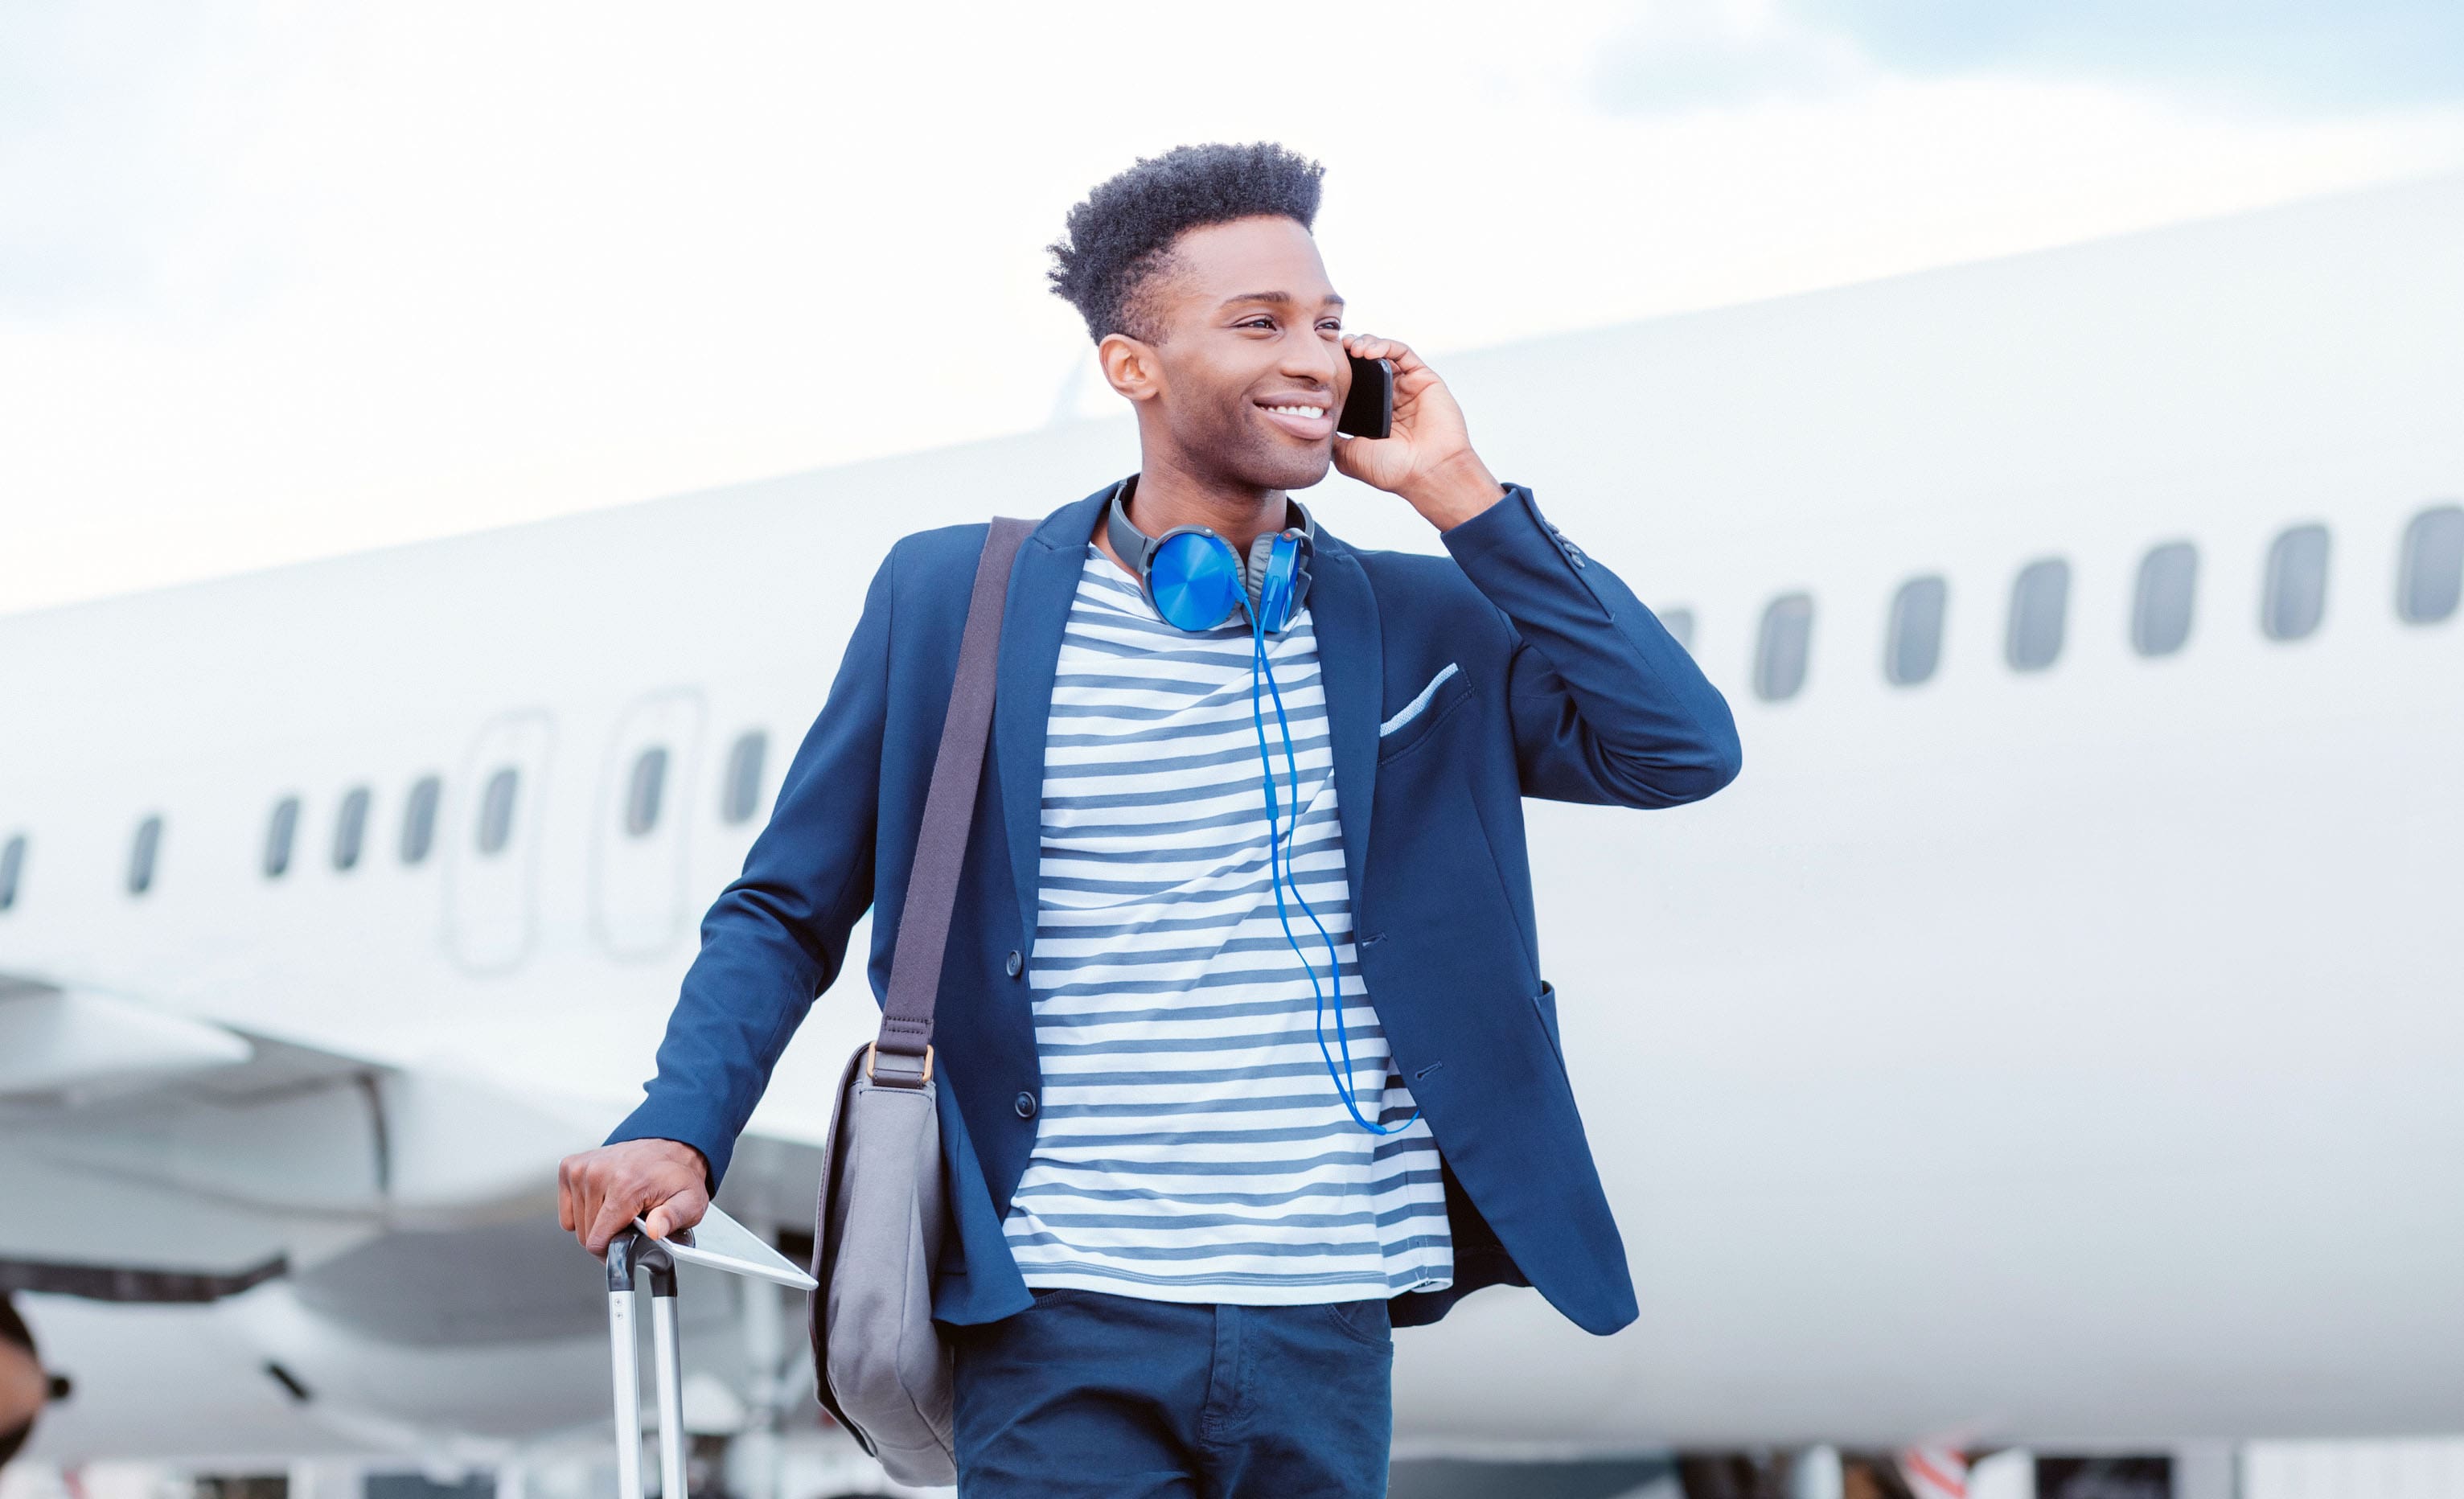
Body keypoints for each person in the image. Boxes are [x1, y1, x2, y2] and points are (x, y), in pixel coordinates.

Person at [558, 141, 1741, 1497]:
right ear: (1133, 366)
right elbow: (789, 904)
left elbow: (1678, 748)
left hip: (1325, 1307)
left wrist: (1459, 495)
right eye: (1260, 323)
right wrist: (679, 1122)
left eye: (1329, 323)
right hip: (1060, 1303)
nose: (1313, 355)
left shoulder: (1423, 624)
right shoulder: (960, 600)